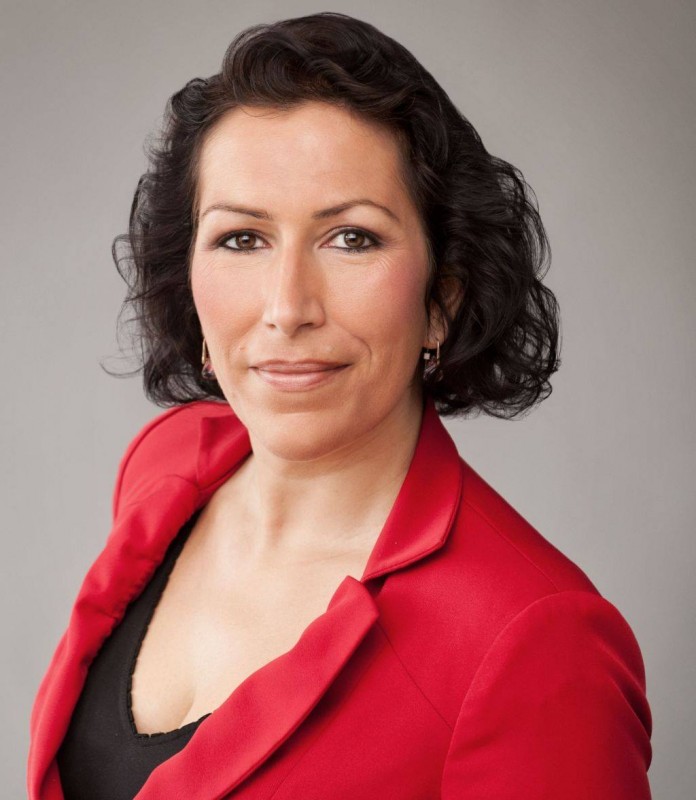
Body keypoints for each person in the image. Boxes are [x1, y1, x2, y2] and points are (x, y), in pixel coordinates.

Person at [27, 11, 653, 800]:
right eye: (242, 238)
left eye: (352, 238)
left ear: (441, 298)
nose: (288, 308)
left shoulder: (534, 639)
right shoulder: (169, 463)